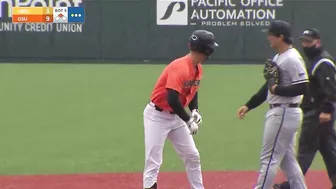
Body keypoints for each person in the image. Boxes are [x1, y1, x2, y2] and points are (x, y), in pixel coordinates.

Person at [236, 20, 309, 189]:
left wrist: (277, 89)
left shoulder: (292, 58)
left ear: (280, 36)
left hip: (284, 112)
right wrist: (249, 105)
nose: (268, 38)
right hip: (284, 113)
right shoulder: (279, 57)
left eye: (271, 34)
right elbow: (268, 87)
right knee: (287, 160)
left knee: (268, 159)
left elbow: (303, 85)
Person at [142, 30, 218, 189]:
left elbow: (192, 91)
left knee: (192, 155)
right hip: (157, 116)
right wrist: (188, 120)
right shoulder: (179, 67)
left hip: (176, 117)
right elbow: (172, 99)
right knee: (153, 160)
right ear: (205, 50)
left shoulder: (197, 68)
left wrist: (195, 110)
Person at [274, 29, 336, 189]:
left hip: (318, 113)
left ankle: (290, 186)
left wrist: (327, 110)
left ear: (318, 42)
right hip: (316, 112)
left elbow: (331, 89)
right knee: (329, 150)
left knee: (305, 150)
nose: (305, 45)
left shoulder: (323, 62)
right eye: (304, 41)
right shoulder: (312, 60)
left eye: (309, 41)